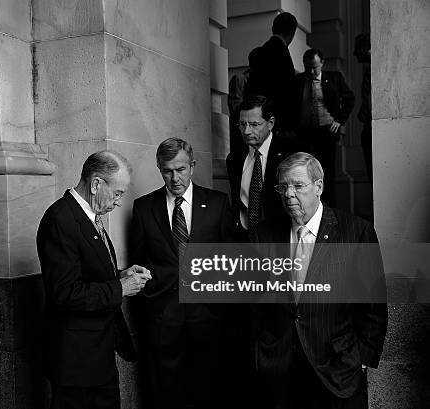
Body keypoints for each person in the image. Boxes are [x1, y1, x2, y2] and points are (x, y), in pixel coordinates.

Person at [254, 152, 387, 409]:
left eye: (298, 185)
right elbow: (254, 301)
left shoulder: (355, 232)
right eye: (283, 186)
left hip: (337, 368)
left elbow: (373, 304)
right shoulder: (264, 234)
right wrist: (261, 350)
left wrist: (361, 358)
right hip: (279, 367)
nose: (289, 194)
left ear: (319, 186)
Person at [130, 138, 241, 409]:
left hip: (208, 315)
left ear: (192, 166)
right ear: (159, 169)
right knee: (166, 392)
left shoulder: (217, 203)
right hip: (163, 318)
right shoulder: (144, 208)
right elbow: (138, 260)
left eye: (180, 169)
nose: (175, 178)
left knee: (208, 388)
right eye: (167, 170)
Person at [37, 151, 151, 409]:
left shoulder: (89, 216)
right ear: (97, 184)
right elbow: (64, 293)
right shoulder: (61, 219)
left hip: (97, 356)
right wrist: (120, 288)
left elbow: (87, 273)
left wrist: (121, 274)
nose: (119, 201)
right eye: (118, 193)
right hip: (76, 364)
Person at [227, 95, 296, 241]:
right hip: (244, 240)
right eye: (242, 124)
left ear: (270, 123)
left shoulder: (289, 155)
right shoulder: (234, 159)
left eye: (254, 124)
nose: (246, 131)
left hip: (281, 241)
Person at [294, 48, 355, 205]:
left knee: (326, 173)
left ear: (322, 63)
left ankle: (328, 209)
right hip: (306, 134)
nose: (311, 71)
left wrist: (339, 120)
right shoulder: (299, 81)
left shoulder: (334, 78)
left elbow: (349, 99)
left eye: (315, 67)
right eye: (308, 67)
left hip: (327, 132)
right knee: (306, 174)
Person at [246, 12, 298, 135]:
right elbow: (287, 95)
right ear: (292, 34)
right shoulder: (283, 56)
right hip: (276, 124)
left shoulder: (256, 54)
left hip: (256, 118)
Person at [354, 33, 372, 185]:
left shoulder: (374, 70)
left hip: (371, 125)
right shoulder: (370, 70)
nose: (354, 53)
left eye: (357, 48)